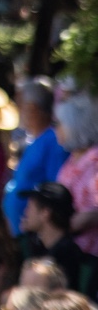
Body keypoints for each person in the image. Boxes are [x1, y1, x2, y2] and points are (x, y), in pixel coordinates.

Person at [5, 78, 66, 232]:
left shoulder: (53, 140)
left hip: (38, 235)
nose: (18, 110)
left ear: (32, 108)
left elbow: (55, 188)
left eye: (20, 105)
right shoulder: (37, 141)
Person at [19, 182, 90, 296]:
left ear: (45, 213)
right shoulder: (39, 246)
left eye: (30, 207)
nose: (26, 212)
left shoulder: (67, 254)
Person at [52, 91, 98, 262]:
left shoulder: (95, 162)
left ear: (76, 125)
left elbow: (93, 212)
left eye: (59, 123)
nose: (55, 128)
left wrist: (58, 229)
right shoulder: (71, 159)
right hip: (69, 249)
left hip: (90, 255)